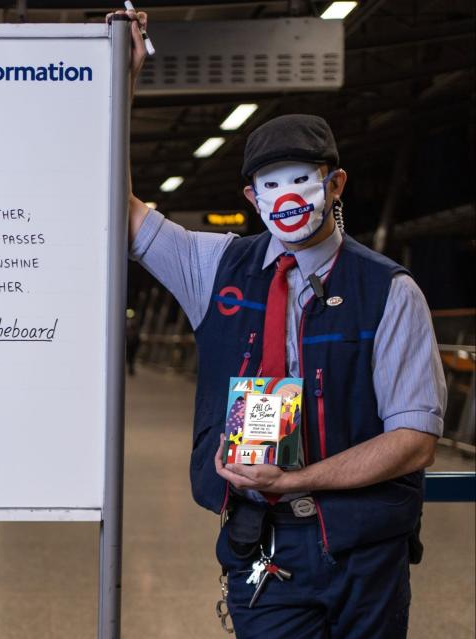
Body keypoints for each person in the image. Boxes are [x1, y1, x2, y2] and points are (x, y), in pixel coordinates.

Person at [118, 9, 447, 638]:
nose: (289, 197)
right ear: (251, 198)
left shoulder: (389, 291)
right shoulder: (214, 267)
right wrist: (123, 79)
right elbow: (119, 207)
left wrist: (297, 479)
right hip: (260, 545)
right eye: (271, 184)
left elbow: (415, 439)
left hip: (363, 551)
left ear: (336, 184)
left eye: (304, 179)